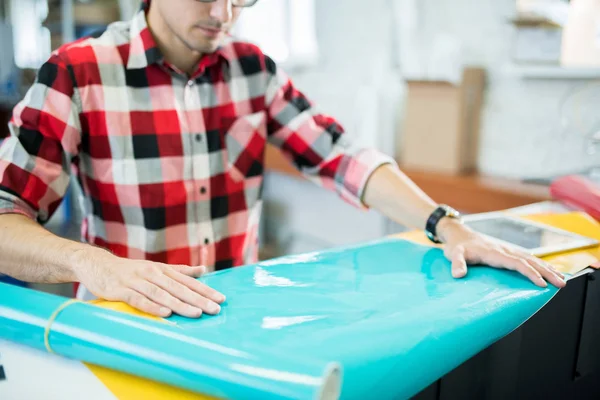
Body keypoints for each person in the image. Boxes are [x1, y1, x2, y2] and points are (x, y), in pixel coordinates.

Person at [0, 0, 566, 318]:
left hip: (232, 320)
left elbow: (341, 156)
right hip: (124, 325)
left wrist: (448, 225)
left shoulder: (253, 69)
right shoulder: (78, 71)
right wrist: (95, 266)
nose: (223, 13)